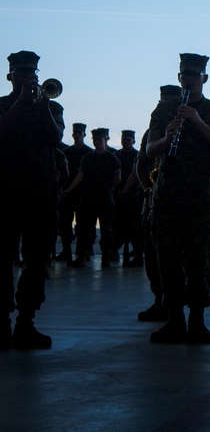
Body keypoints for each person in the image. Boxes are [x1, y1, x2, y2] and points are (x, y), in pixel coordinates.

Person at [145, 54, 210, 344]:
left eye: (195, 74)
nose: (189, 79)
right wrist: (166, 140)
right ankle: (174, 319)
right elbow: (149, 150)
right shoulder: (165, 110)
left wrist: (197, 122)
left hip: (202, 199)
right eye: (184, 74)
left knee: (199, 261)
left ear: (204, 78)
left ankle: (197, 320)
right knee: (167, 260)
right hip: (168, 197)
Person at [0, 51, 65, 349]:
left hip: (41, 195)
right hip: (6, 194)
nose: (28, 76)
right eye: (21, 71)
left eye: (32, 72)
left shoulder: (50, 106)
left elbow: (55, 140)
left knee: (37, 260)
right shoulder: (3, 105)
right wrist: (21, 100)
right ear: (10, 75)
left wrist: (43, 107)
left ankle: (26, 321)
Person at [135, 85, 182, 323]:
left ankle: (175, 303)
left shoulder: (189, 129)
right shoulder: (151, 133)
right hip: (154, 202)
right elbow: (141, 165)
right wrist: (147, 187)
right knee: (152, 256)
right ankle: (159, 300)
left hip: (179, 203)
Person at [65, 128, 121, 268]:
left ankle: (106, 257)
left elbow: (117, 178)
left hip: (105, 199)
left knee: (106, 230)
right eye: (95, 140)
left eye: (99, 140)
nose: (97, 142)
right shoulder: (88, 157)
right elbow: (80, 175)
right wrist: (68, 190)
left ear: (105, 140)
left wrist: (107, 187)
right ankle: (82, 255)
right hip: (88, 198)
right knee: (84, 229)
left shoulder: (112, 158)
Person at [56, 123, 92, 262]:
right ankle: (67, 251)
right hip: (67, 193)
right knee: (65, 224)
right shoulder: (67, 152)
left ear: (84, 135)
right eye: (75, 133)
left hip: (83, 194)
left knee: (83, 225)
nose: (77, 135)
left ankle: (82, 252)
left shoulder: (89, 153)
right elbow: (61, 171)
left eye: (79, 133)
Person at [115, 130, 143, 267]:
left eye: (128, 140)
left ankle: (138, 254)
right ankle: (116, 250)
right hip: (119, 196)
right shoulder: (116, 156)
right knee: (119, 225)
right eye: (124, 140)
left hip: (134, 197)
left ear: (133, 141)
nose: (125, 142)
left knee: (135, 227)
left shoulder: (137, 156)